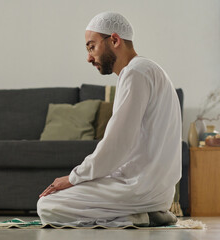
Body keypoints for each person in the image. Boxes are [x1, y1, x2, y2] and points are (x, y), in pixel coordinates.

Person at [37, 12, 181, 227]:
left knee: (48, 205)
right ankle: (146, 214)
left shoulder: (135, 73)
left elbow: (116, 144)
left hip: (139, 188)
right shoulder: (147, 69)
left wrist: (74, 177)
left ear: (114, 40)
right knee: (57, 201)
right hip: (157, 190)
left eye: (91, 47)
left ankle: (139, 215)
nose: (88, 57)